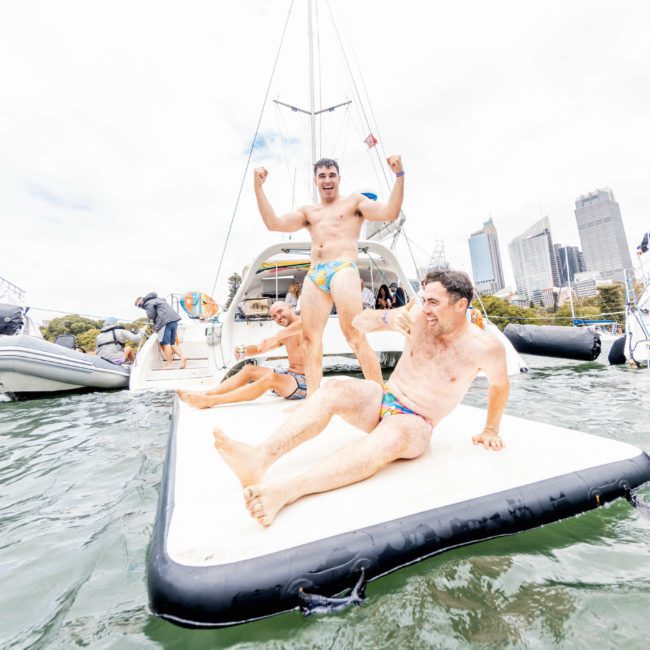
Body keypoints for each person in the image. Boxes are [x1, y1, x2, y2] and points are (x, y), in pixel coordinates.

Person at [213, 270, 510, 526]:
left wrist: (491, 430)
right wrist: (388, 316)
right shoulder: (417, 317)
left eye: (433, 302)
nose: (425, 307)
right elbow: (359, 323)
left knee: (391, 436)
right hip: (385, 398)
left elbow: (499, 385)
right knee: (335, 387)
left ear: (460, 305)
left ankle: (288, 490)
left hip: (417, 421)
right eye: (424, 299)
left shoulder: (485, 347)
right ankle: (259, 458)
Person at [254, 156, 404, 395]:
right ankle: (313, 401)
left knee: (353, 334)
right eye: (322, 176)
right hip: (316, 274)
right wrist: (258, 187)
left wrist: (399, 176)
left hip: (343, 266)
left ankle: (380, 396)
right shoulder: (308, 212)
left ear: (339, 178)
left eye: (331, 175)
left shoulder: (354, 203)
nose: (327, 180)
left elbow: (390, 212)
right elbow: (274, 224)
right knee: (310, 340)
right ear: (316, 180)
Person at [177, 301, 305, 409]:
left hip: (305, 382)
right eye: (274, 316)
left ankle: (212, 401)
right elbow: (260, 349)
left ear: (290, 307)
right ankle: (206, 393)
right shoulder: (285, 333)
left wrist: (276, 337)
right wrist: (243, 350)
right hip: (290, 375)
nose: (278, 317)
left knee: (271, 377)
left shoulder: (308, 323)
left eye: (280, 311)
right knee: (249, 369)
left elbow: (304, 324)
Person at [135, 292, 187, 370]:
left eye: (139, 306)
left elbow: (151, 315)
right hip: (174, 320)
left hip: (164, 322)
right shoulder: (157, 299)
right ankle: (182, 357)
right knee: (172, 343)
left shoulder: (147, 303)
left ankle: (169, 365)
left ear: (141, 301)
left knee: (166, 344)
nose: (140, 307)